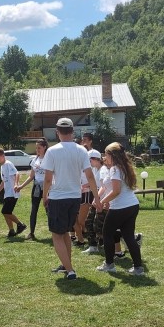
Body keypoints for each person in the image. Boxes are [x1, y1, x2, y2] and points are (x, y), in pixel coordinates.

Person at [41, 118, 101, 280]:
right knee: (66, 233)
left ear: (57, 132)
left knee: (57, 235)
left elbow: (48, 179)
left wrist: (44, 196)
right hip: (75, 197)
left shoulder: (52, 151)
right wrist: (97, 198)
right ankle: (66, 265)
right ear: (73, 131)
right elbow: (90, 176)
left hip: (58, 198)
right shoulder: (81, 150)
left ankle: (70, 270)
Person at [96, 142, 144, 275]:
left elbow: (116, 191)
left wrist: (102, 201)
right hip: (132, 205)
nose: (104, 157)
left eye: (106, 154)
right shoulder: (124, 167)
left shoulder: (115, 169)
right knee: (129, 236)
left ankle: (109, 265)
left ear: (112, 155)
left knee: (107, 234)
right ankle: (138, 268)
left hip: (120, 207)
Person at [15, 139, 48, 240]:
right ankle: (31, 233)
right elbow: (31, 176)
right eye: (36, 148)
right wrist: (21, 186)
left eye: (39, 148)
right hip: (36, 187)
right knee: (34, 210)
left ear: (44, 147)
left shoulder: (49, 159)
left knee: (49, 210)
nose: (37, 150)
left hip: (47, 187)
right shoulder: (35, 160)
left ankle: (56, 232)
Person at [0, 148, 27, 237]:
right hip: (7, 193)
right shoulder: (2, 166)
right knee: (7, 212)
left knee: (5, 211)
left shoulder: (8, 164)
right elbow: (4, 181)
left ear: (3, 156)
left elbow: (16, 174)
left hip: (12, 192)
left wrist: (16, 184)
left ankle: (20, 224)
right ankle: (11, 230)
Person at [82, 150, 107, 254]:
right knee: (89, 222)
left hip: (102, 200)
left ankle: (132, 239)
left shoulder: (103, 170)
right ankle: (93, 246)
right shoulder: (95, 169)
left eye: (89, 161)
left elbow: (104, 187)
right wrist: (84, 186)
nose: (88, 163)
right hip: (97, 198)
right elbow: (93, 182)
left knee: (102, 225)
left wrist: (98, 198)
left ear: (95, 159)